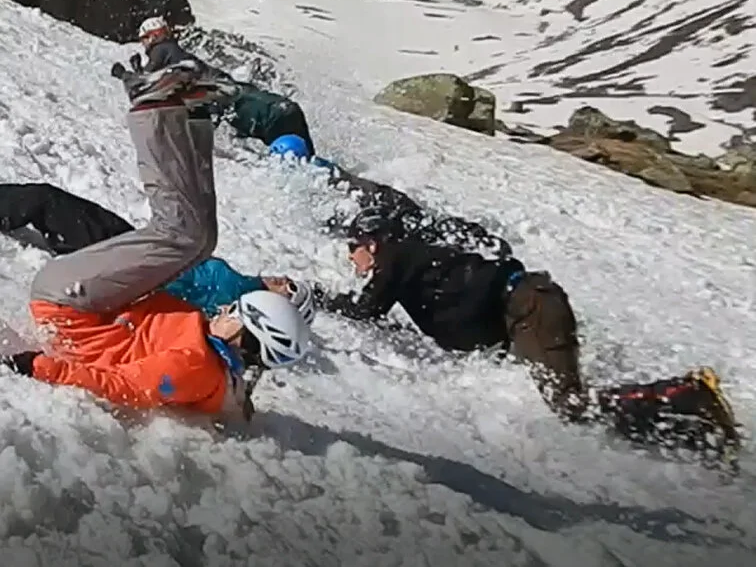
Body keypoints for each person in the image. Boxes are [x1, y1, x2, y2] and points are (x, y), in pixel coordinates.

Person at [0, 62, 311, 420]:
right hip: (94, 300)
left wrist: (38, 366)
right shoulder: (210, 351)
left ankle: (153, 110)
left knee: (183, 236)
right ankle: (193, 115)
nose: (225, 309)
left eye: (235, 312)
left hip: (69, 306)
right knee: (201, 240)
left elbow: (123, 386)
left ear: (247, 337)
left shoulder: (194, 367)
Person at [314, 208, 740, 461]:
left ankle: (690, 395)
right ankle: (694, 430)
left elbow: (367, 308)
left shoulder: (395, 254)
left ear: (371, 241)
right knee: (572, 402)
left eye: (352, 246)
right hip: (529, 305)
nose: (350, 256)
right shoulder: (413, 260)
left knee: (571, 404)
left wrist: (315, 299)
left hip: (530, 307)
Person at [0, 180, 316, 322]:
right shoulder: (239, 285)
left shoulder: (233, 304)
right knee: (52, 201)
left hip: (128, 266)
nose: (284, 279)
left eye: (290, 289)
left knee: (46, 201)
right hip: (141, 248)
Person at [268, 136, 511, 259]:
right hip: (385, 198)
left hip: (379, 210)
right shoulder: (318, 166)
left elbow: (328, 213)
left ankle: (479, 244)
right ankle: (479, 241)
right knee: (427, 225)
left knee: (422, 234)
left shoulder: (305, 177)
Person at [133, 16, 316, 154]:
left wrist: (136, 74)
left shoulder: (164, 49)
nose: (145, 46)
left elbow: (149, 82)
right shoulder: (191, 67)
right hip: (279, 108)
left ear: (154, 35)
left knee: (295, 166)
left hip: (266, 116)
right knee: (313, 167)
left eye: (145, 39)